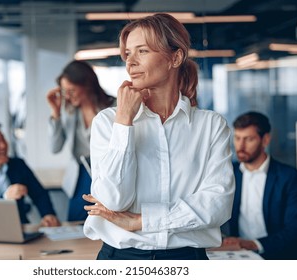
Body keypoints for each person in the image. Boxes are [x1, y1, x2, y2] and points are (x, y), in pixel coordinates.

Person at [82, 13, 235, 260]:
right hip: (120, 260)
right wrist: (124, 122)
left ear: (175, 57)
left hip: (187, 260)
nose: (130, 62)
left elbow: (217, 204)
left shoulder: (211, 126)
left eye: (142, 51)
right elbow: (113, 201)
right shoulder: (108, 122)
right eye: (127, 54)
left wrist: (142, 221)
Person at [221, 111, 297, 259]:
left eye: (249, 139)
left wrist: (253, 244)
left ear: (265, 140)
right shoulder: (229, 173)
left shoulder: (289, 177)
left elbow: (295, 229)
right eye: (237, 138)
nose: (240, 146)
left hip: (279, 254)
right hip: (238, 254)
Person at [46, 60, 115, 222]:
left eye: (72, 90)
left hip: (106, 175)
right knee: (76, 225)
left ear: (87, 85)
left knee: (107, 224)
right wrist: (55, 113)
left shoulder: (114, 107)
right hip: (80, 177)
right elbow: (55, 148)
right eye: (65, 92)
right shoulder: (69, 112)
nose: (68, 96)